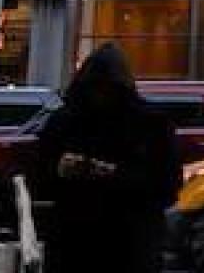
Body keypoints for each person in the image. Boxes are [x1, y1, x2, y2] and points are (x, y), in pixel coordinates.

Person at [34, 43, 181, 273]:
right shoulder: (151, 123)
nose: (100, 96)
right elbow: (37, 176)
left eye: (105, 89)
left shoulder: (151, 124)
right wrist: (58, 169)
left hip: (114, 242)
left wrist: (110, 174)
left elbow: (167, 185)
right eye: (96, 88)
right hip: (94, 242)